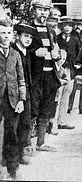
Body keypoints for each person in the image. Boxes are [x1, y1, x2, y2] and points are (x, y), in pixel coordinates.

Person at [28, 0, 61, 152]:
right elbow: (21, 50)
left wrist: (57, 55)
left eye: (46, 10)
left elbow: (56, 52)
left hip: (50, 76)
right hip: (35, 77)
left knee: (46, 111)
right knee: (32, 111)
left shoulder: (51, 31)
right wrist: (34, 53)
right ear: (33, 10)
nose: (43, 13)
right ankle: (26, 145)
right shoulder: (28, 29)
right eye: (40, 9)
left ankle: (41, 143)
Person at [0, 17, 26, 179]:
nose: (5, 36)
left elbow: (21, 79)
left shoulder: (16, 54)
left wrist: (22, 100)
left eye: (8, 33)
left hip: (12, 100)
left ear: (13, 35)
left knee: (11, 134)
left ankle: (12, 169)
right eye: (2, 33)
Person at [12, 24, 37, 165]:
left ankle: (23, 152)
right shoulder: (12, 51)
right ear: (18, 36)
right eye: (25, 36)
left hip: (26, 90)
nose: (28, 40)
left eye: (30, 37)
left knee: (26, 123)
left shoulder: (27, 52)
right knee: (13, 123)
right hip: (14, 92)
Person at [57, 16, 82, 119]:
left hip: (70, 70)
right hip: (59, 70)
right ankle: (52, 123)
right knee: (57, 95)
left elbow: (78, 55)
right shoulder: (56, 38)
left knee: (67, 94)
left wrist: (77, 65)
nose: (67, 27)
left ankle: (62, 121)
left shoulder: (75, 40)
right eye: (64, 25)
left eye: (69, 25)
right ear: (61, 26)